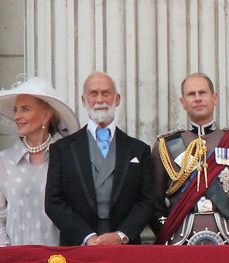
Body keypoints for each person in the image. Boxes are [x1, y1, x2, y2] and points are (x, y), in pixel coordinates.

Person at [151, 73, 229, 245]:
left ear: (215, 98)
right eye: (191, 94)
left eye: (202, 93)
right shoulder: (166, 146)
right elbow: (153, 200)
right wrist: (166, 232)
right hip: (179, 240)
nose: (197, 98)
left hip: (227, 239)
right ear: (183, 103)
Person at [45, 72, 153, 246]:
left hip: (126, 250)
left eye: (106, 93)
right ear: (84, 100)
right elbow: (54, 202)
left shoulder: (139, 149)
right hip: (78, 247)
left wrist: (121, 235)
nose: (100, 99)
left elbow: (147, 201)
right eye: (93, 93)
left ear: (117, 99)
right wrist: (87, 238)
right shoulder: (62, 149)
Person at [0, 77, 80, 246]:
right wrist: (7, 257)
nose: (17, 116)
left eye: (25, 109)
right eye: (16, 110)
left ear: (46, 115)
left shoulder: (67, 159)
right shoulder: (4, 161)